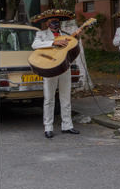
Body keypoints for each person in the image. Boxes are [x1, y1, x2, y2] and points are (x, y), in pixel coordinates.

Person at [30, 9, 82, 139]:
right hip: (49, 68)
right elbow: (35, 45)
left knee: (66, 98)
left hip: (64, 68)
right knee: (49, 99)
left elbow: (71, 50)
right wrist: (53, 42)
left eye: (57, 21)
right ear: (47, 22)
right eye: (52, 21)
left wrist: (77, 38)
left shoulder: (65, 34)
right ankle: (48, 127)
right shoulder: (41, 34)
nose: (55, 23)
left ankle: (67, 125)